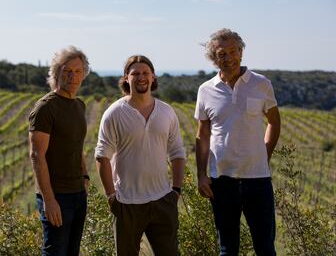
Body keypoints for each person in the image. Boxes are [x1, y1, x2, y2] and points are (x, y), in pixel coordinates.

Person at [195, 28, 281, 256]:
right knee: (227, 248)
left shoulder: (261, 84)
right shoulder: (205, 90)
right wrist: (201, 174)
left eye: (233, 51)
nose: (228, 57)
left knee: (265, 248)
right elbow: (202, 135)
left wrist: (265, 154)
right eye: (221, 54)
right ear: (214, 59)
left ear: (241, 52)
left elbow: (274, 122)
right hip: (221, 181)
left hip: (258, 180)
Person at [95, 55, 186, 256]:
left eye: (145, 73)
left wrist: (176, 191)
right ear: (126, 78)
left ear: (153, 77)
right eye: (135, 73)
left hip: (163, 200)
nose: (141, 77)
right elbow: (102, 157)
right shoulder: (114, 113)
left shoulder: (166, 112)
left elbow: (178, 152)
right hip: (127, 203)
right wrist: (111, 197)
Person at [29, 45, 90, 256]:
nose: (72, 76)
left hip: (77, 193)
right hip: (57, 196)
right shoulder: (45, 108)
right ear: (57, 73)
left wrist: (85, 175)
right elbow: (37, 156)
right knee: (55, 252)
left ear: (83, 75)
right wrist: (49, 200)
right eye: (67, 71)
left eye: (77, 71)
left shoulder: (79, 105)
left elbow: (77, 144)